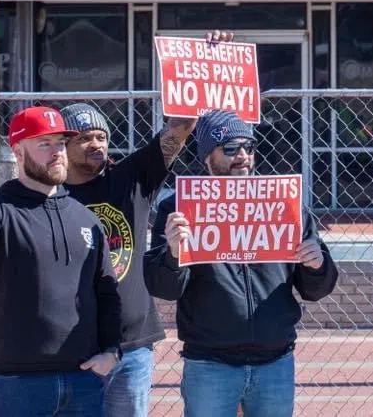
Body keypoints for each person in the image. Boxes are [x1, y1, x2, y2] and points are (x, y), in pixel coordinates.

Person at [59, 31, 228, 417]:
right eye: (84, 138)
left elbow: (180, 128)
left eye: (101, 136)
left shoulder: (129, 179)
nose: (96, 144)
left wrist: (204, 62)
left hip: (131, 345)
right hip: (70, 346)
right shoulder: (49, 196)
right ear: (62, 146)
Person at [144, 109, 338, 417]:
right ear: (207, 156)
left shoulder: (282, 203)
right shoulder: (179, 207)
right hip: (210, 363)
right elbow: (164, 288)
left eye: (249, 146)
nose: (243, 156)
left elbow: (315, 290)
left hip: (275, 360)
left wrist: (317, 265)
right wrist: (173, 254)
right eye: (231, 148)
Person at [0, 105, 122, 417]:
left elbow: (106, 291)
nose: (57, 152)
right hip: (19, 382)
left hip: (83, 379)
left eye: (60, 143)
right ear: (18, 152)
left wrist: (112, 351)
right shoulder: (2, 212)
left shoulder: (85, 218)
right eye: (44, 144)